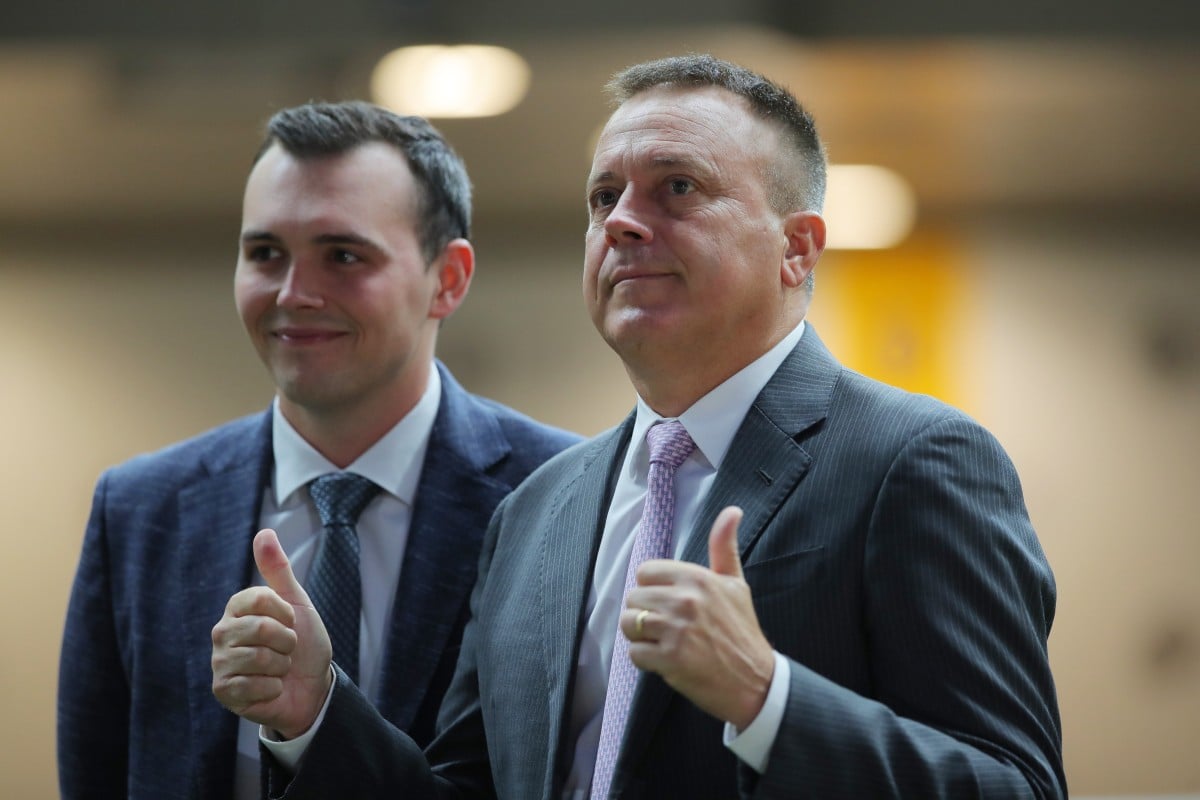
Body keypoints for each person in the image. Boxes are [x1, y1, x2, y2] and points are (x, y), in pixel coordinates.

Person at [212, 55, 1067, 799]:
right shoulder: (538, 509)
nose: (621, 220)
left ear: (797, 248)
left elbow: (1015, 785)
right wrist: (319, 712)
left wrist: (767, 699)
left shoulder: (915, 461)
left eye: (677, 189)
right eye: (603, 196)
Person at [57, 101, 579, 800]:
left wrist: (316, 721)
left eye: (342, 255)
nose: (294, 294)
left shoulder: (561, 497)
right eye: (265, 253)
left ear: (448, 279)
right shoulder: (141, 509)